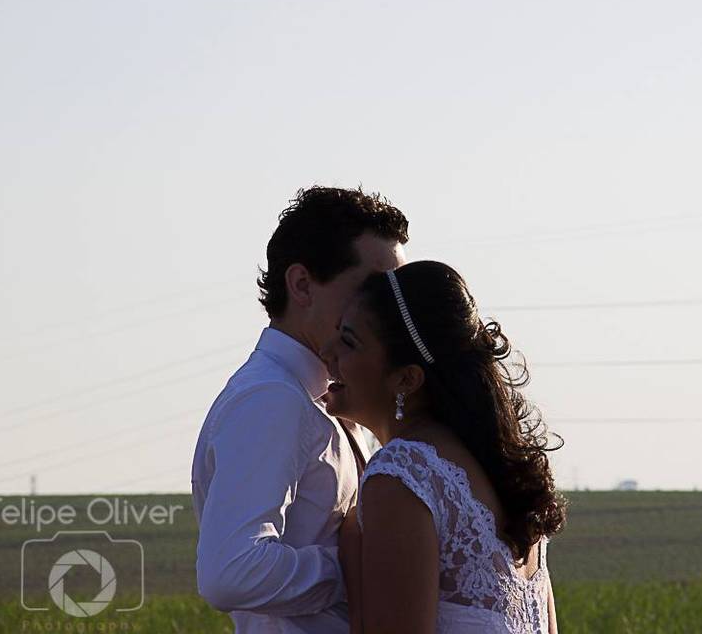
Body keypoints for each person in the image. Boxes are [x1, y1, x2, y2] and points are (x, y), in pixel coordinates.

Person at [191, 186, 408, 633]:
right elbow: (231, 572)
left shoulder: (330, 398)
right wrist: (359, 570)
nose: (391, 312)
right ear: (303, 285)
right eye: (372, 290)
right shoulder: (270, 401)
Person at [320, 260, 566, 633]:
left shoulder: (404, 473)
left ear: (406, 379)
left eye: (349, 341)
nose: (326, 350)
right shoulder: (501, 477)